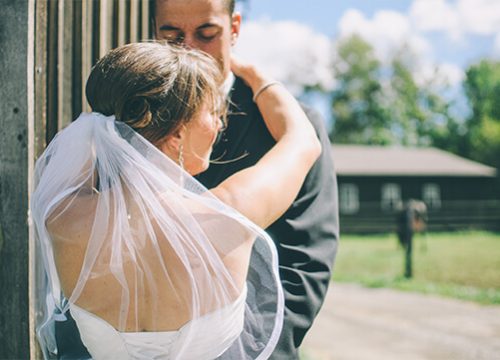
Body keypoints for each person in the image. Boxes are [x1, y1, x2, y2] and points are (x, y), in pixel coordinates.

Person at [32, 42, 321, 359]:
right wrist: (252, 74)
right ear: (178, 134)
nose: (219, 124)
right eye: (212, 112)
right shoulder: (229, 214)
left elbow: (87, 153)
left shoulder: (63, 217)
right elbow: (303, 140)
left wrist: (106, 126)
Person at [152, 0, 339, 358]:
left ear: (234, 29)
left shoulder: (291, 126)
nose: (189, 48)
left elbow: (305, 264)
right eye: (172, 36)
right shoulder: (132, 120)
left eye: (207, 34)